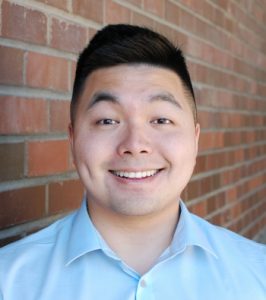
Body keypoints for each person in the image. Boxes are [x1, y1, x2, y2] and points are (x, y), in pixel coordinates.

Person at [0, 24, 265, 300]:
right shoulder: (8, 281)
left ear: (195, 139)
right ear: (73, 138)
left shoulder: (258, 273)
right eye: (107, 120)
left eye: (161, 120)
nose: (135, 145)